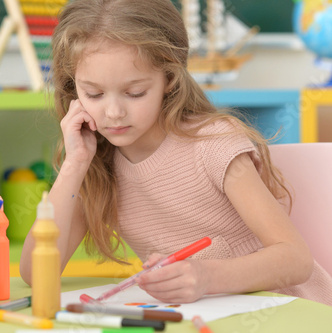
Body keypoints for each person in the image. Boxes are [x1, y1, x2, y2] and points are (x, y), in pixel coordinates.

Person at [20, 0, 332, 305]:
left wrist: (206, 277)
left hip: (291, 311)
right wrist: (74, 165)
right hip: (206, 317)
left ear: (169, 78)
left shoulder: (214, 144)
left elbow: (295, 259)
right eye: (94, 93)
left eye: (134, 92)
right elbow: (37, 273)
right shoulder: (96, 164)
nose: (113, 112)